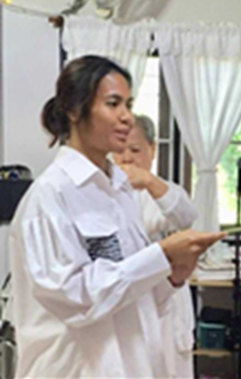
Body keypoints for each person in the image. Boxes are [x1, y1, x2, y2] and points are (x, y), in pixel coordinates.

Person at [9, 55, 225, 378]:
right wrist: (160, 255)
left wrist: (171, 276)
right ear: (74, 110)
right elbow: (76, 299)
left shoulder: (118, 189)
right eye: (113, 104)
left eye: (129, 104)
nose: (127, 117)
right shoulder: (49, 197)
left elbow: (131, 292)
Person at [113, 114, 198, 378]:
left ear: (152, 149)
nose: (127, 158)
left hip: (167, 299)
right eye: (119, 151)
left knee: (169, 367)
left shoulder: (165, 191)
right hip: (125, 300)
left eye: (135, 150)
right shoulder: (103, 194)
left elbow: (186, 217)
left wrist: (149, 181)